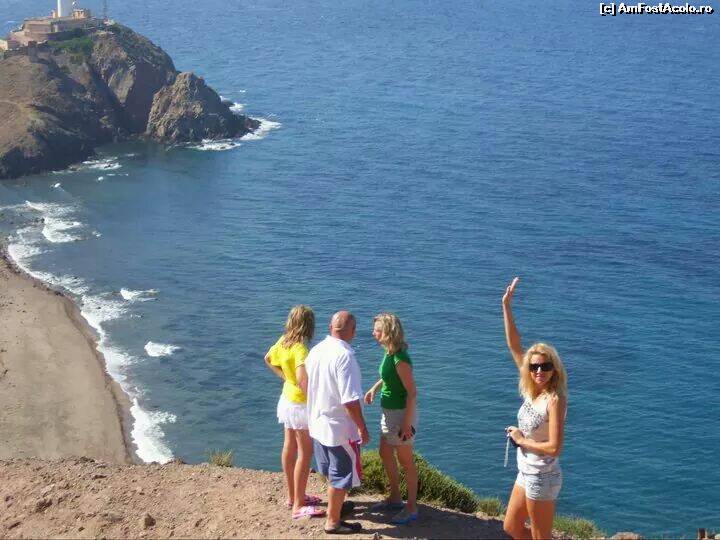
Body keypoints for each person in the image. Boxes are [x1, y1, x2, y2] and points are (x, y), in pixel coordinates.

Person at [501, 277, 568, 540]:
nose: (539, 371)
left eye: (545, 366)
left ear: (554, 370)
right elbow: (514, 345)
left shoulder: (555, 399)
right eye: (534, 366)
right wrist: (506, 306)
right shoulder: (532, 390)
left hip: (543, 475)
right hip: (526, 470)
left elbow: (554, 448)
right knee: (511, 527)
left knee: (541, 536)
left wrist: (521, 440)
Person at [305, 311, 369, 534]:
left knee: (331, 471)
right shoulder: (345, 357)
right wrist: (362, 426)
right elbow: (349, 399)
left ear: (330, 327)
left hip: (318, 422)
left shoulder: (316, 350)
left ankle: (336, 507)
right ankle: (333, 521)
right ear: (353, 331)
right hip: (339, 429)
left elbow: (306, 382)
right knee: (341, 476)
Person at [264, 305, 325, 520]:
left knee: (289, 446)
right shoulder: (300, 349)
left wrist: (285, 378)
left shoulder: (283, 341)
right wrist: (316, 401)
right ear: (309, 325)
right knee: (305, 453)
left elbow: (268, 358)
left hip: (286, 400)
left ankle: (293, 496)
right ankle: (299, 505)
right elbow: (302, 379)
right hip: (300, 405)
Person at [364, 313, 419, 525]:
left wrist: (406, 423)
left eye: (377, 330)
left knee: (406, 462)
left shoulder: (400, 359)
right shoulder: (389, 353)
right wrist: (374, 388)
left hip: (401, 414)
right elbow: (387, 376)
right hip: (389, 413)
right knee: (385, 452)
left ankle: (411, 507)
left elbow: (412, 393)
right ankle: (395, 497)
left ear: (387, 332)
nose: (373, 333)